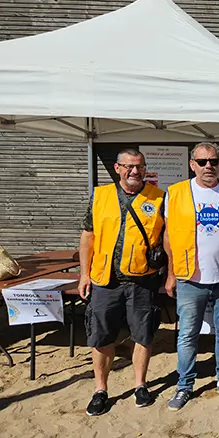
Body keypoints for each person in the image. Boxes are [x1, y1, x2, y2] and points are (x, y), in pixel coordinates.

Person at [78, 149, 165, 417]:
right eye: (128, 166)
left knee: (143, 334)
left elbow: (169, 238)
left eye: (139, 166)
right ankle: (101, 390)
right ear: (117, 168)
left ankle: (140, 384)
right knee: (101, 336)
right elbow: (88, 237)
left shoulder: (159, 198)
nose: (134, 172)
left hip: (142, 281)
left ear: (145, 169)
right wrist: (84, 274)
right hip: (105, 280)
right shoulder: (100, 196)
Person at [163, 142, 219, 411]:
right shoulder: (175, 193)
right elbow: (169, 237)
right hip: (189, 277)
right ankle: (184, 385)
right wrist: (172, 273)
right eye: (202, 161)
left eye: (213, 161)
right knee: (187, 335)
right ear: (192, 164)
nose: (208, 166)